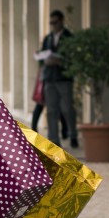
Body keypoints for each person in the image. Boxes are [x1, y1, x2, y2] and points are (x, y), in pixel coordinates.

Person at [41, 10, 78, 148]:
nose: (53, 26)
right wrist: (43, 59)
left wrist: (59, 62)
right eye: (51, 23)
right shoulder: (48, 38)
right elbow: (43, 55)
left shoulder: (69, 37)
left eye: (55, 23)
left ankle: (73, 134)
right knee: (51, 110)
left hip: (64, 78)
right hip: (50, 78)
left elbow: (72, 58)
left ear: (61, 21)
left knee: (67, 109)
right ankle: (53, 139)